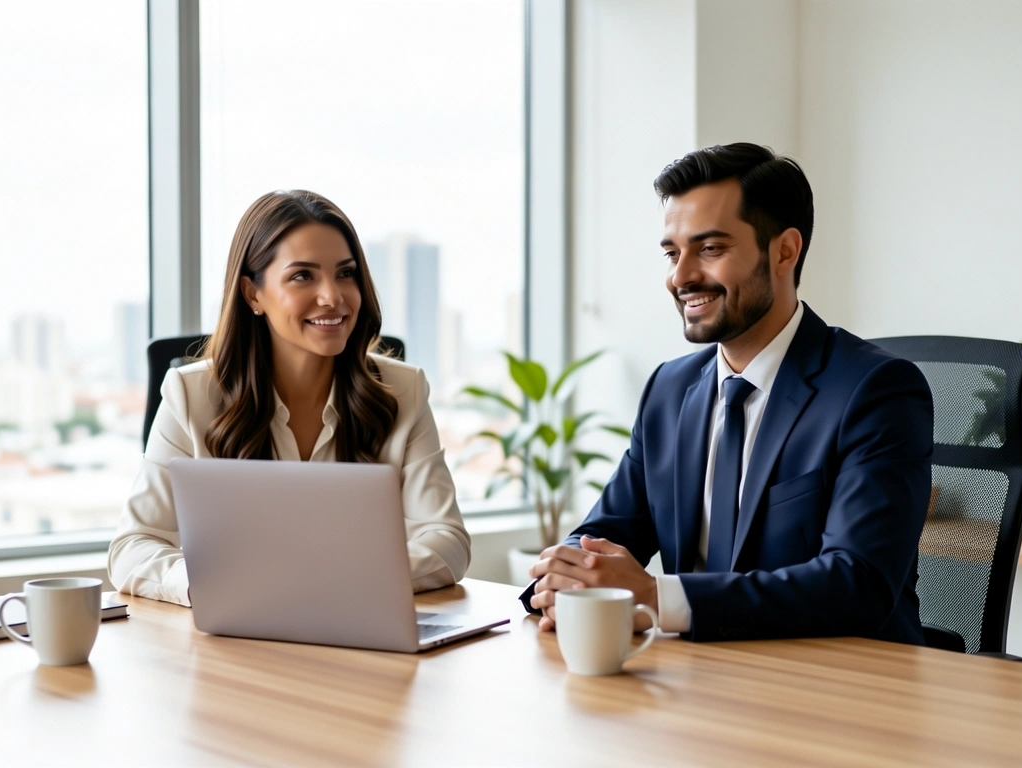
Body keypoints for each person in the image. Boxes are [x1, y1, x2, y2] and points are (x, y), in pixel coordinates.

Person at [523, 143, 933, 644]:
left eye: (711, 249)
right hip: (700, 681)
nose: (680, 276)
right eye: (673, 253)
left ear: (784, 250)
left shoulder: (875, 391)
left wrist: (656, 598)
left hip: (841, 687)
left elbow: (858, 584)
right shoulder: (668, 391)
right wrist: (564, 577)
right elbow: (604, 534)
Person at [109, 190, 471, 605]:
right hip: (239, 640)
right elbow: (132, 547)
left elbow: (448, 540)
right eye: (303, 276)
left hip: (358, 635)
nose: (332, 297)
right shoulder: (190, 395)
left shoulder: (403, 391)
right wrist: (213, 584)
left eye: (346, 273)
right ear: (252, 294)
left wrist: (339, 580)